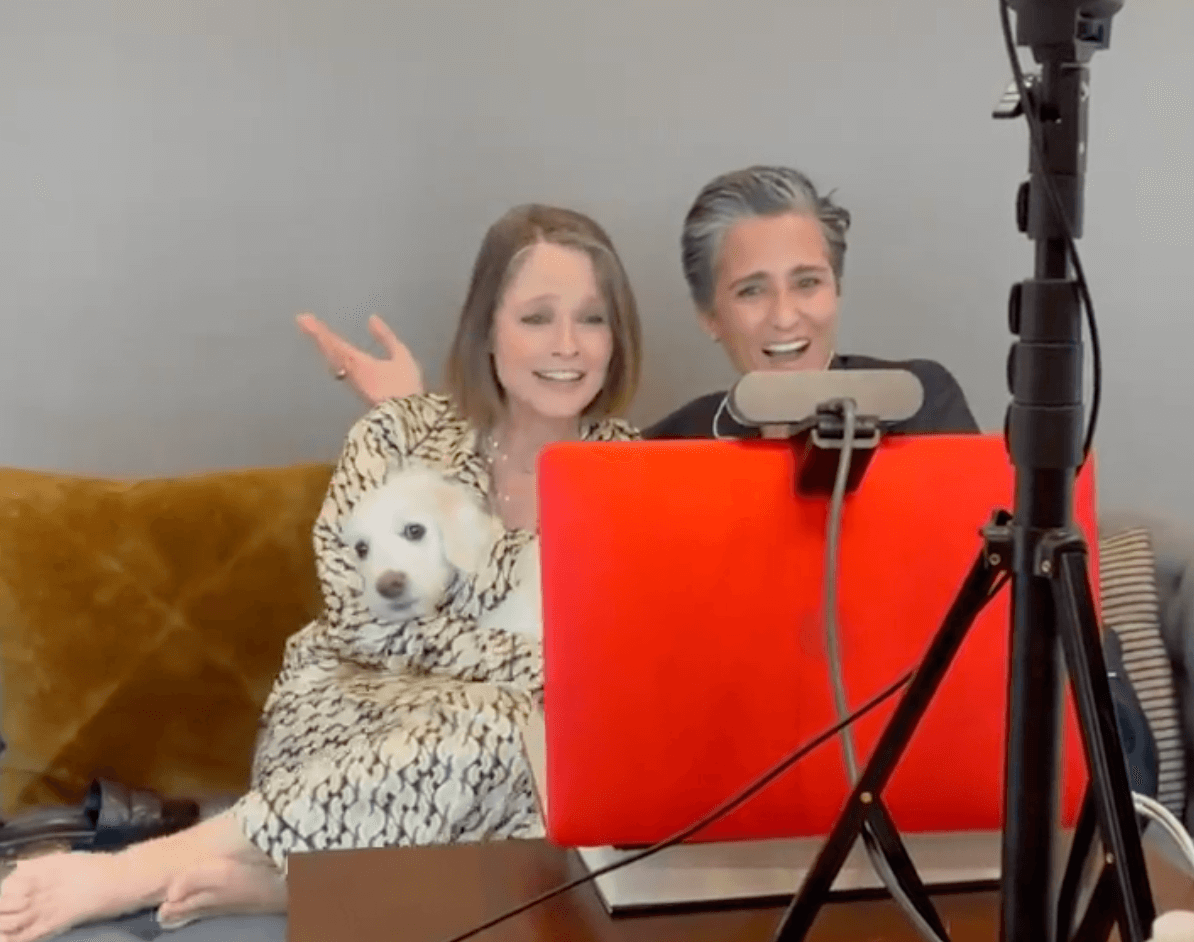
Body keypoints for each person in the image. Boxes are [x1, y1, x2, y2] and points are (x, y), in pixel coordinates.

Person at [0, 203, 642, 942]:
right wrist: (539, 669)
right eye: (536, 317)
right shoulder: (397, 429)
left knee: (530, 755)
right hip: (347, 712)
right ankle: (138, 871)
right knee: (511, 722)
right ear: (486, 327)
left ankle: (282, 884)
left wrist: (541, 679)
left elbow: (612, 655)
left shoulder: (627, 470)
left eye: (592, 319)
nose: (567, 345)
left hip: (495, 766)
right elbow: (365, 619)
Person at [298, 165, 979, 439]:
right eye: (750, 290)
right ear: (708, 316)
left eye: (807, 282)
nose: (784, 316)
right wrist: (403, 416)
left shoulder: (923, 398)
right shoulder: (669, 449)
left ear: (836, 289)